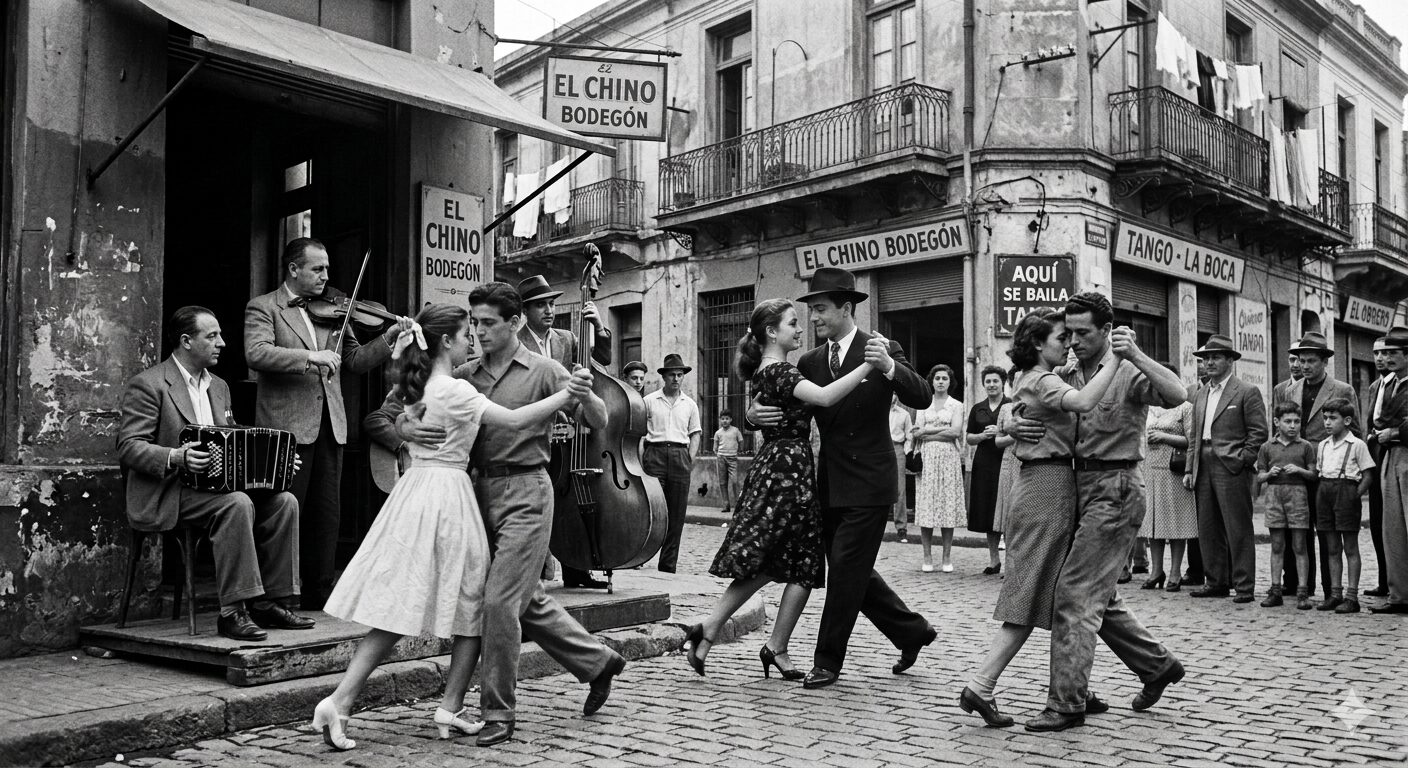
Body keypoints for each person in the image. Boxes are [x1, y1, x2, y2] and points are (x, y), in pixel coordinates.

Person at [312, 304, 576, 750]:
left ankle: (347, 699)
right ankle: (442, 706)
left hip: (417, 493)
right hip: (448, 496)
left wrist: (403, 424)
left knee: (403, 603)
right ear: (446, 343)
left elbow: (398, 413)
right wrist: (566, 396)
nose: (472, 338)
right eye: (464, 333)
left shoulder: (421, 388)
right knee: (471, 604)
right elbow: (513, 420)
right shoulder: (453, 389)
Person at [376, 283, 626, 746]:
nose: (480, 331)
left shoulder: (547, 370)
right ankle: (598, 662)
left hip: (528, 491)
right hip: (472, 492)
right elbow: (394, 410)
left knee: (498, 603)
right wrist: (403, 427)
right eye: (474, 323)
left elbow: (597, 420)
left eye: (489, 323)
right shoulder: (463, 373)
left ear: (515, 324)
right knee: (522, 600)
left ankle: (499, 713)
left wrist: (587, 394)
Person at [748, 267, 935, 690]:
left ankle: (827, 660)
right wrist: (751, 415)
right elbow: (787, 405)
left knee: (847, 569)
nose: (812, 318)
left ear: (846, 308)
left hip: (871, 481)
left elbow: (921, 396)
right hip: (828, 482)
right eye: (810, 310)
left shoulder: (882, 347)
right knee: (854, 571)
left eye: (819, 310)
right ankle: (912, 631)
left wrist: (889, 366)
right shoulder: (812, 361)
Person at [1016, 293, 1189, 732]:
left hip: (1117, 488)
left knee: (1074, 594)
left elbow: (1177, 394)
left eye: (1083, 333)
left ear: (1106, 331)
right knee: (1098, 596)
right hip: (1074, 487)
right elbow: (1028, 399)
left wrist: (1137, 354)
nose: (1072, 341)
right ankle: (1157, 666)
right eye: (1068, 333)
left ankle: (1067, 703)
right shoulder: (1067, 371)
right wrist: (1008, 424)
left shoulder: (1128, 369)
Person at [682, 298, 875, 680]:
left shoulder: (770, 372)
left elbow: (772, 408)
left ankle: (756, 641)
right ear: (772, 332)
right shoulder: (780, 371)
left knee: (797, 564)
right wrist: (870, 363)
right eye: (792, 324)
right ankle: (729, 632)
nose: (800, 329)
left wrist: (753, 417)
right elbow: (823, 397)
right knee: (787, 562)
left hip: (786, 468)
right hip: (786, 472)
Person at [959, 309, 1121, 728]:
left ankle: (1075, 686)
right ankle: (981, 685)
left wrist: (1009, 423)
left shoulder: (1033, 377)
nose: (1067, 344)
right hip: (1047, 488)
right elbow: (1084, 402)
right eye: (1059, 338)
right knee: (1031, 594)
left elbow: (1010, 418)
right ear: (1037, 344)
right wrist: (1117, 358)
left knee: (1062, 593)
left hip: (1046, 486)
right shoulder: (1042, 378)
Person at [117, 306, 312, 642]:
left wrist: (276, 462)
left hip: (214, 489)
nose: (222, 342)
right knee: (235, 504)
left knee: (284, 502)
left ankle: (269, 602)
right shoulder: (149, 385)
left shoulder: (219, 386)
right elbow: (129, 446)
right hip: (169, 492)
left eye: (220, 335)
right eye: (212, 336)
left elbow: (232, 434)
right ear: (186, 341)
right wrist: (175, 457)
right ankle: (233, 612)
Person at [244, 237, 412, 608]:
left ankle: (321, 594)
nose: (326, 276)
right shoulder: (264, 308)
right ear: (293, 269)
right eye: (317, 269)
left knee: (326, 514)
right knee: (286, 512)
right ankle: (279, 596)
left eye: (327, 269)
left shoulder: (334, 311)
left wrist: (388, 337)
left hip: (330, 425)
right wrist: (310, 356)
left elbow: (353, 359)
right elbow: (257, 353)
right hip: (285, 428)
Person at [515, 274, 613, 590]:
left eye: (551, 303)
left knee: (570, 499)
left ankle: (576, 569)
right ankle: (539, 573)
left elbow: (603, 361)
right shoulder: (517, 344)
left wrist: (598, 327)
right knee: (541, 503)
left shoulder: (567, 338)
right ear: (525, 311)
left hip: (569, 435)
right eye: (540, 305)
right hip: (536, 434)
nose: (548, 310)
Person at [1185, 333, 1268, 604]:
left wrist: (1244, 459)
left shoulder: (1245, 391)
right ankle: (1216, 581)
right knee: (1207, 527)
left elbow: (1258, 432)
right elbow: (1193, 435)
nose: (1209, 362)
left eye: (1215, 357)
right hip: (1203, 461)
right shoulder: (1200, 394)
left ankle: (1244, 586)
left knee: (1238, 527)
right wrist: (1190, 468)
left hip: (1231, 464)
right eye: (1206, 358)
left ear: (1230, 361)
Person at [1276, 332, 1357, 602]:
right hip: (1296, 468)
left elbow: (1353, 431)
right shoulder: (1292, 390)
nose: (1305, 366)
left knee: (1326, 531)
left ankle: (1329, 589)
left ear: (1325, 362)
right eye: (1302, 360)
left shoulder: (1342, 390)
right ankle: (1302, 585)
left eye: (1311, 360)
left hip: (1326, 471)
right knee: (1298, 528)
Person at [1314, 398, 1375, 614]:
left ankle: (1352, 596)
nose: (1328, 422)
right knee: (1331, 547)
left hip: (1346, 492)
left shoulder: (1357, 444)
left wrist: (1354, 495)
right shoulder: (1323, 445)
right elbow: (1319, 472)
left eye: (1333, 418)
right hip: (1325, 492)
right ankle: (1335, 593)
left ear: (1347, 420)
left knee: (1350, 547)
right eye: (1325, 418)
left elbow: (1368, 475)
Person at [1254, 402, 1317, 610]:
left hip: (1298, 495)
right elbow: (1259, 476)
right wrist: (1269, 474)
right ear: (1276, 422)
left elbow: (1313, 474)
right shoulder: (1267, 447)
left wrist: (1299, 470)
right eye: (1287, 421)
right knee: (1277, 545)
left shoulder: (1305, 446)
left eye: (1296, 421)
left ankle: (1302, 592)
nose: (1292, 426)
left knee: (1300, 545)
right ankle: (1275, 590)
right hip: (1274, 497)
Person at [1140, 364, 1196, 593]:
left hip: (1173, 470)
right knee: (1152, 524)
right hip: (1149, 469)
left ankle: (1174, 571)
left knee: (1175, 524)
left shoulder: (1185, 407)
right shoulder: (1147, 406)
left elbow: (1192, 441)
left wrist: (1164, 437)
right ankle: (1156, 570)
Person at [643, 354, 702, 573]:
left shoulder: (690, 404)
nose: (676, 379)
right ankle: (639, 558)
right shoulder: (649, 401)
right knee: (652, 510)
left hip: (679, 455)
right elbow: (639, 434)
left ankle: (667, 567)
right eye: (672, 375)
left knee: (676, 515)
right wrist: (642, 460)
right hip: (655, 454)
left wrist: (689, 458)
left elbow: (695, 433)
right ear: (664, 377)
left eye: (679, 375)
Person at [1370, 325, 1408, 615]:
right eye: (1385, 353)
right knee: (1392, 528)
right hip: (1390, 456)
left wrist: (1393, 433)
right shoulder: (1390, 385)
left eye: (1394, 353)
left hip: (1404, 454)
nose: (1388, 358)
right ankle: (1399, 595)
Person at [913, 364, 966, 573]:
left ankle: (946, 556)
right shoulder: (923, 404)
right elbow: (917, 433)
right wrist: (932, 431)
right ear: (932, 381)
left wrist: (928, 431)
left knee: (947, 505)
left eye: (945, 378)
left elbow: (955, 432)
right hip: (927, 458)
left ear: (950, 381)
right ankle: (927, 556)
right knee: (927, 506)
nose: (941, 382)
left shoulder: (956, 405)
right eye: (937, 378)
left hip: (948, 458)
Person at [966, 365, 1011, 574]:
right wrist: (983, 436)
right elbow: (969, 437)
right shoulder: (978, 408)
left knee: (1007, 510)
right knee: (987, 509)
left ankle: (1011, 560)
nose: (991, 385)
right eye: (988, 381)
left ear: (1003, 383)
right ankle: (994, 560)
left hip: (1006, 460)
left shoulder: (1011, 405)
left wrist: (1000, 431)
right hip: (984, 462)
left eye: (995, 381)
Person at [1365, 337, 1395, 598]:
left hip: (1395, 451)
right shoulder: (1376, 386)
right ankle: (1384, 580)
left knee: (1394, 520)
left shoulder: (1400, 385)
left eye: (1386, 353)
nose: (1380, 358)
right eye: (1376, 353)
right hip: (1376, 453)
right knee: (1377, 521)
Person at [889, 395, 915, 543]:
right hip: (879, 449)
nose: (892, 396)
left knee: (899, 489)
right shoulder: (877, 409)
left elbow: (909, 436)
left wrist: (904, 451)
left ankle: (901, 528)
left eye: (895, 393)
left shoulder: (904, 414)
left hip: (897, 448)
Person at [713, 412, 745, 515]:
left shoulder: (735, 430)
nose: (725, 421)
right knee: (722, 482)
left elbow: (741, 441)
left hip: (732, 459)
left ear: (731, 419)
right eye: (722, 419)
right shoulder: (718, 433)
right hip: (721, 458)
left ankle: (738, 504)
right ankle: (725, 505)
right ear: (720, 420)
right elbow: (715, 446)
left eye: (727, 418)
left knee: (734, 481)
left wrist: (740, 450)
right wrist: (717, 453)